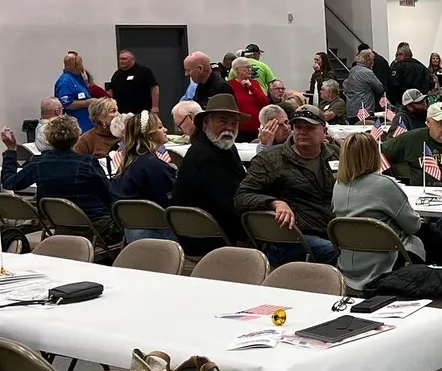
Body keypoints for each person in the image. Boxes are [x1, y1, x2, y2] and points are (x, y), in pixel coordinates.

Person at [234, 104, 339, 266]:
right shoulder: (270, 160)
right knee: (340, 254)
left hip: (333, 230)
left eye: (309, 127)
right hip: (291, 237)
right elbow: (242, 197)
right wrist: (274, 203)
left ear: (323, 130)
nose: (302, 132)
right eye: (297, 127)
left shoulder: (336, 154)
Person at [332, 131, 424, 289]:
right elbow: (413, 226)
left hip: (348, 263)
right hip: (387, 262)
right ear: (374, 154)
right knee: (433, 234)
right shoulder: (385, 185)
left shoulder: (338, 186)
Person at [1, 114, 116, 240]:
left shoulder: (38, 163)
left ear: (48, 138)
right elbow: (108, 195)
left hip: (59, 226)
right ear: (78, 136)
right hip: (96, 226)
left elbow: (9, 183)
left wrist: (11, 150)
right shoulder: (88, 163)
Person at [171, 94, 246, 245]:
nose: (229, 127)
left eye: (234, 123)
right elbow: (230, 201)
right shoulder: (205, 154)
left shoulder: (224, 146)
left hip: (214, 229)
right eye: (222, 121)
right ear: (206, 122)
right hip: (205, 239)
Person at [109, 111, 177, 240]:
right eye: (160, 127)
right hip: (160, 234)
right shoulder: (154, 166)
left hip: (131, 235)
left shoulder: (125, 164)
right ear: (149, 136)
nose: (166, 130)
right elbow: (173, 203)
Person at [108, 49, 159, 116]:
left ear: (132, 59)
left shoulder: (144, 71)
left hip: (142, 112)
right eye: (120, 59)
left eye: (124, 59)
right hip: (122, 113)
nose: (121, 61)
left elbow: (154, 88)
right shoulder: (117, 75)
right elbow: (111, 91)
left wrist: (155, 107)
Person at [228, 57, 269, 140]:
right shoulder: (230, 85)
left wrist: (251, 87)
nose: (250, 70)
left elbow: (265, 102)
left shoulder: (254, 84)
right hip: (239, 129)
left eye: (251, 67)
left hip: (256, 128)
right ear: (237, 69)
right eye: (247, 67)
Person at [54, 51, 93, 132]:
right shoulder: (65, 81)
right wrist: (87, 103)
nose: (82, 66)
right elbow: (66, 104)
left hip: (87, 125)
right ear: (76, 65)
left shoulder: (78, 78)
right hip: (77, 127)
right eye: (80, 63)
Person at [343, 49, 384, 122]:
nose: (373, 63)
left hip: (351, 110)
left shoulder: (353, 70)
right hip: (364, 110)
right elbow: (380, 88)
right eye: (372, 60)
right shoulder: (367, 72)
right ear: (367, 60)